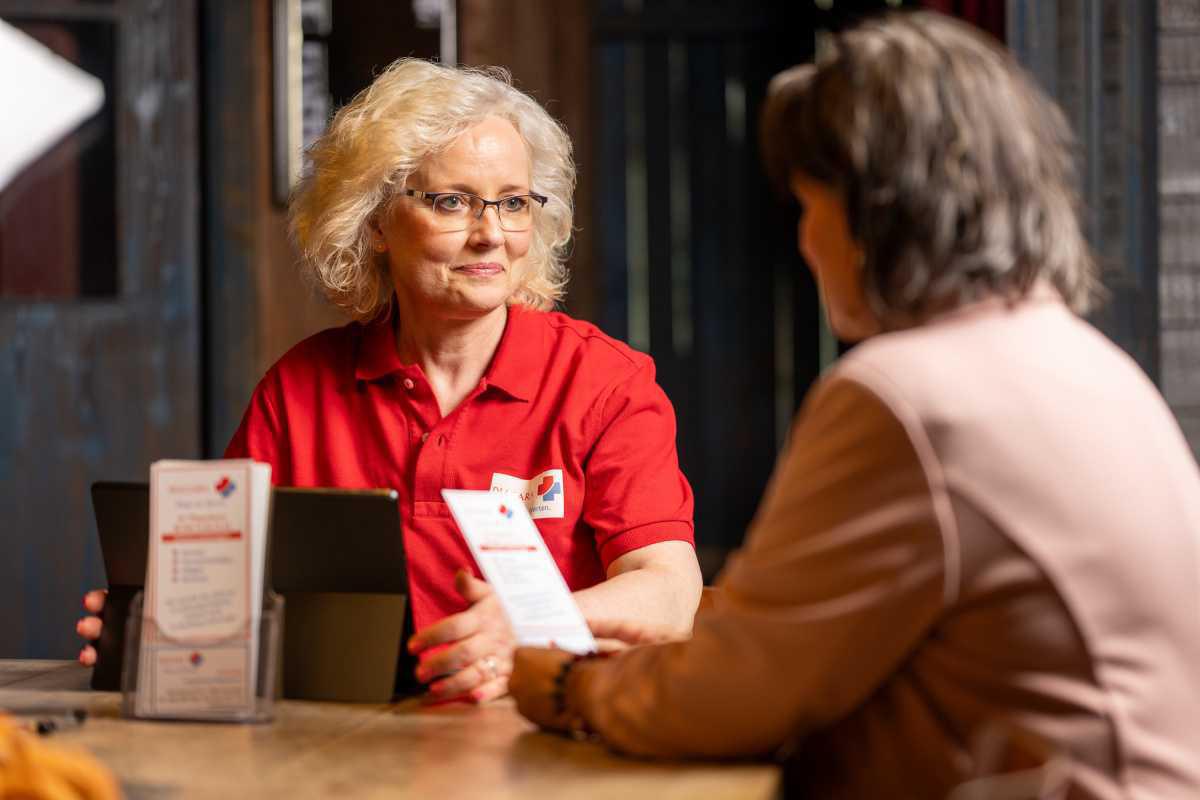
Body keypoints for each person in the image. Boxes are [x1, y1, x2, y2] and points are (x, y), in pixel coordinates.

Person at [509, 11, 1200, 798]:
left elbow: (741, 690)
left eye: (809, 207)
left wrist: (570, 687)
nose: (804, 242)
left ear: (878, 213)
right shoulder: (1086, 361)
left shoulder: (911, 395)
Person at [76, 59, 702, 702]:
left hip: (541, 740)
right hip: (341, 741)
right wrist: (163, 626)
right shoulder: (299, 390)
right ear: (375, 222)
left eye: (514, 203)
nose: (491, 234)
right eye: (452, 202)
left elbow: (670, 593)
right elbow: (235, 583)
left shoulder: (605, 384)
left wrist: (538, 621)